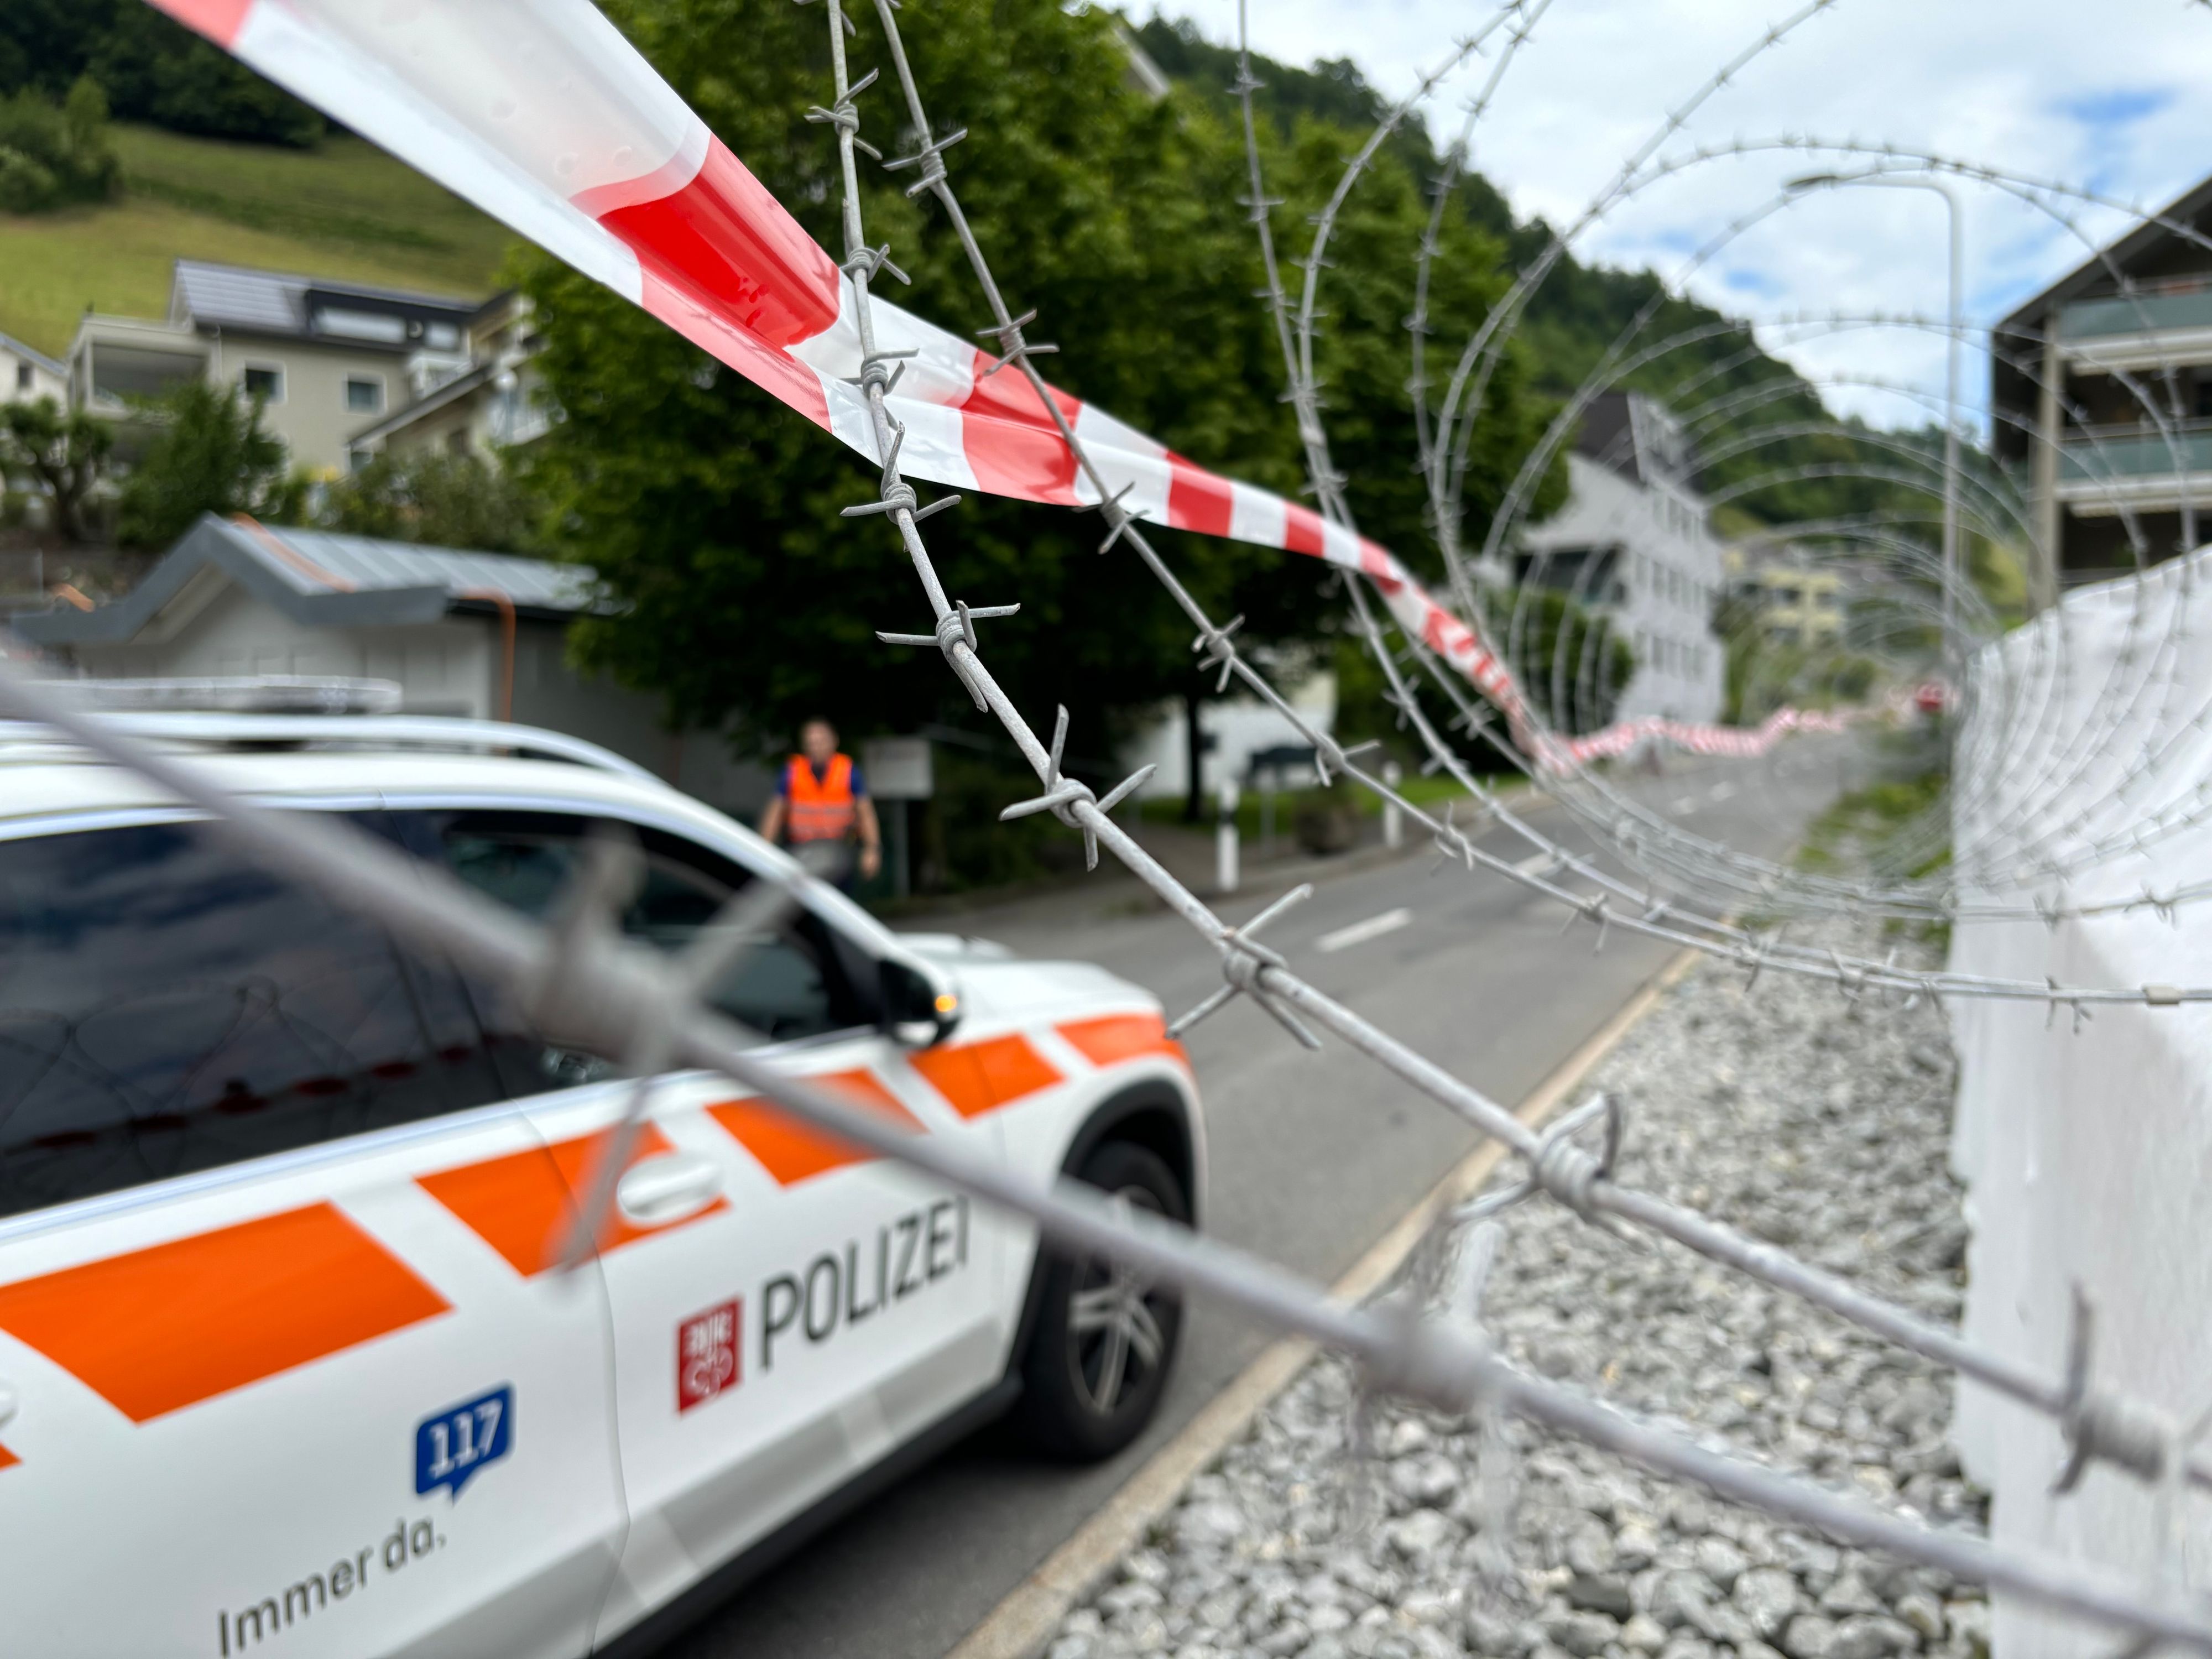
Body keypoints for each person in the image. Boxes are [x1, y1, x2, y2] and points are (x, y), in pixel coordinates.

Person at [759, 718, 882, 890]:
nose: (816, 747)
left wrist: (872, 849)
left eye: (821, 741)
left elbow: (866, 813)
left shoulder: (848, 771)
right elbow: (775, 812)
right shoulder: (793, 771)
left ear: (834, 742)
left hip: (838, 851)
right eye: (811, 743)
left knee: (838, 903)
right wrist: (763, 851)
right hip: (801, 851)